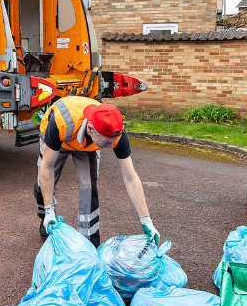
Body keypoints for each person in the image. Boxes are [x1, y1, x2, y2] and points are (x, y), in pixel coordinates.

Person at [34, 96, 158, 247]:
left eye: (112, 142)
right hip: (60, 137)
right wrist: (48, 211)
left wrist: (146, 220)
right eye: (106, 143)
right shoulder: (60, 121)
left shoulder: (115, 133)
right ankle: (45, 218)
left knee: (89, 188)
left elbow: (131, 178)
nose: (111, 146)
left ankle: (89, 244)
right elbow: (47, 167)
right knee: (43, 185)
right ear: (90, 129)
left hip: (87, 145)